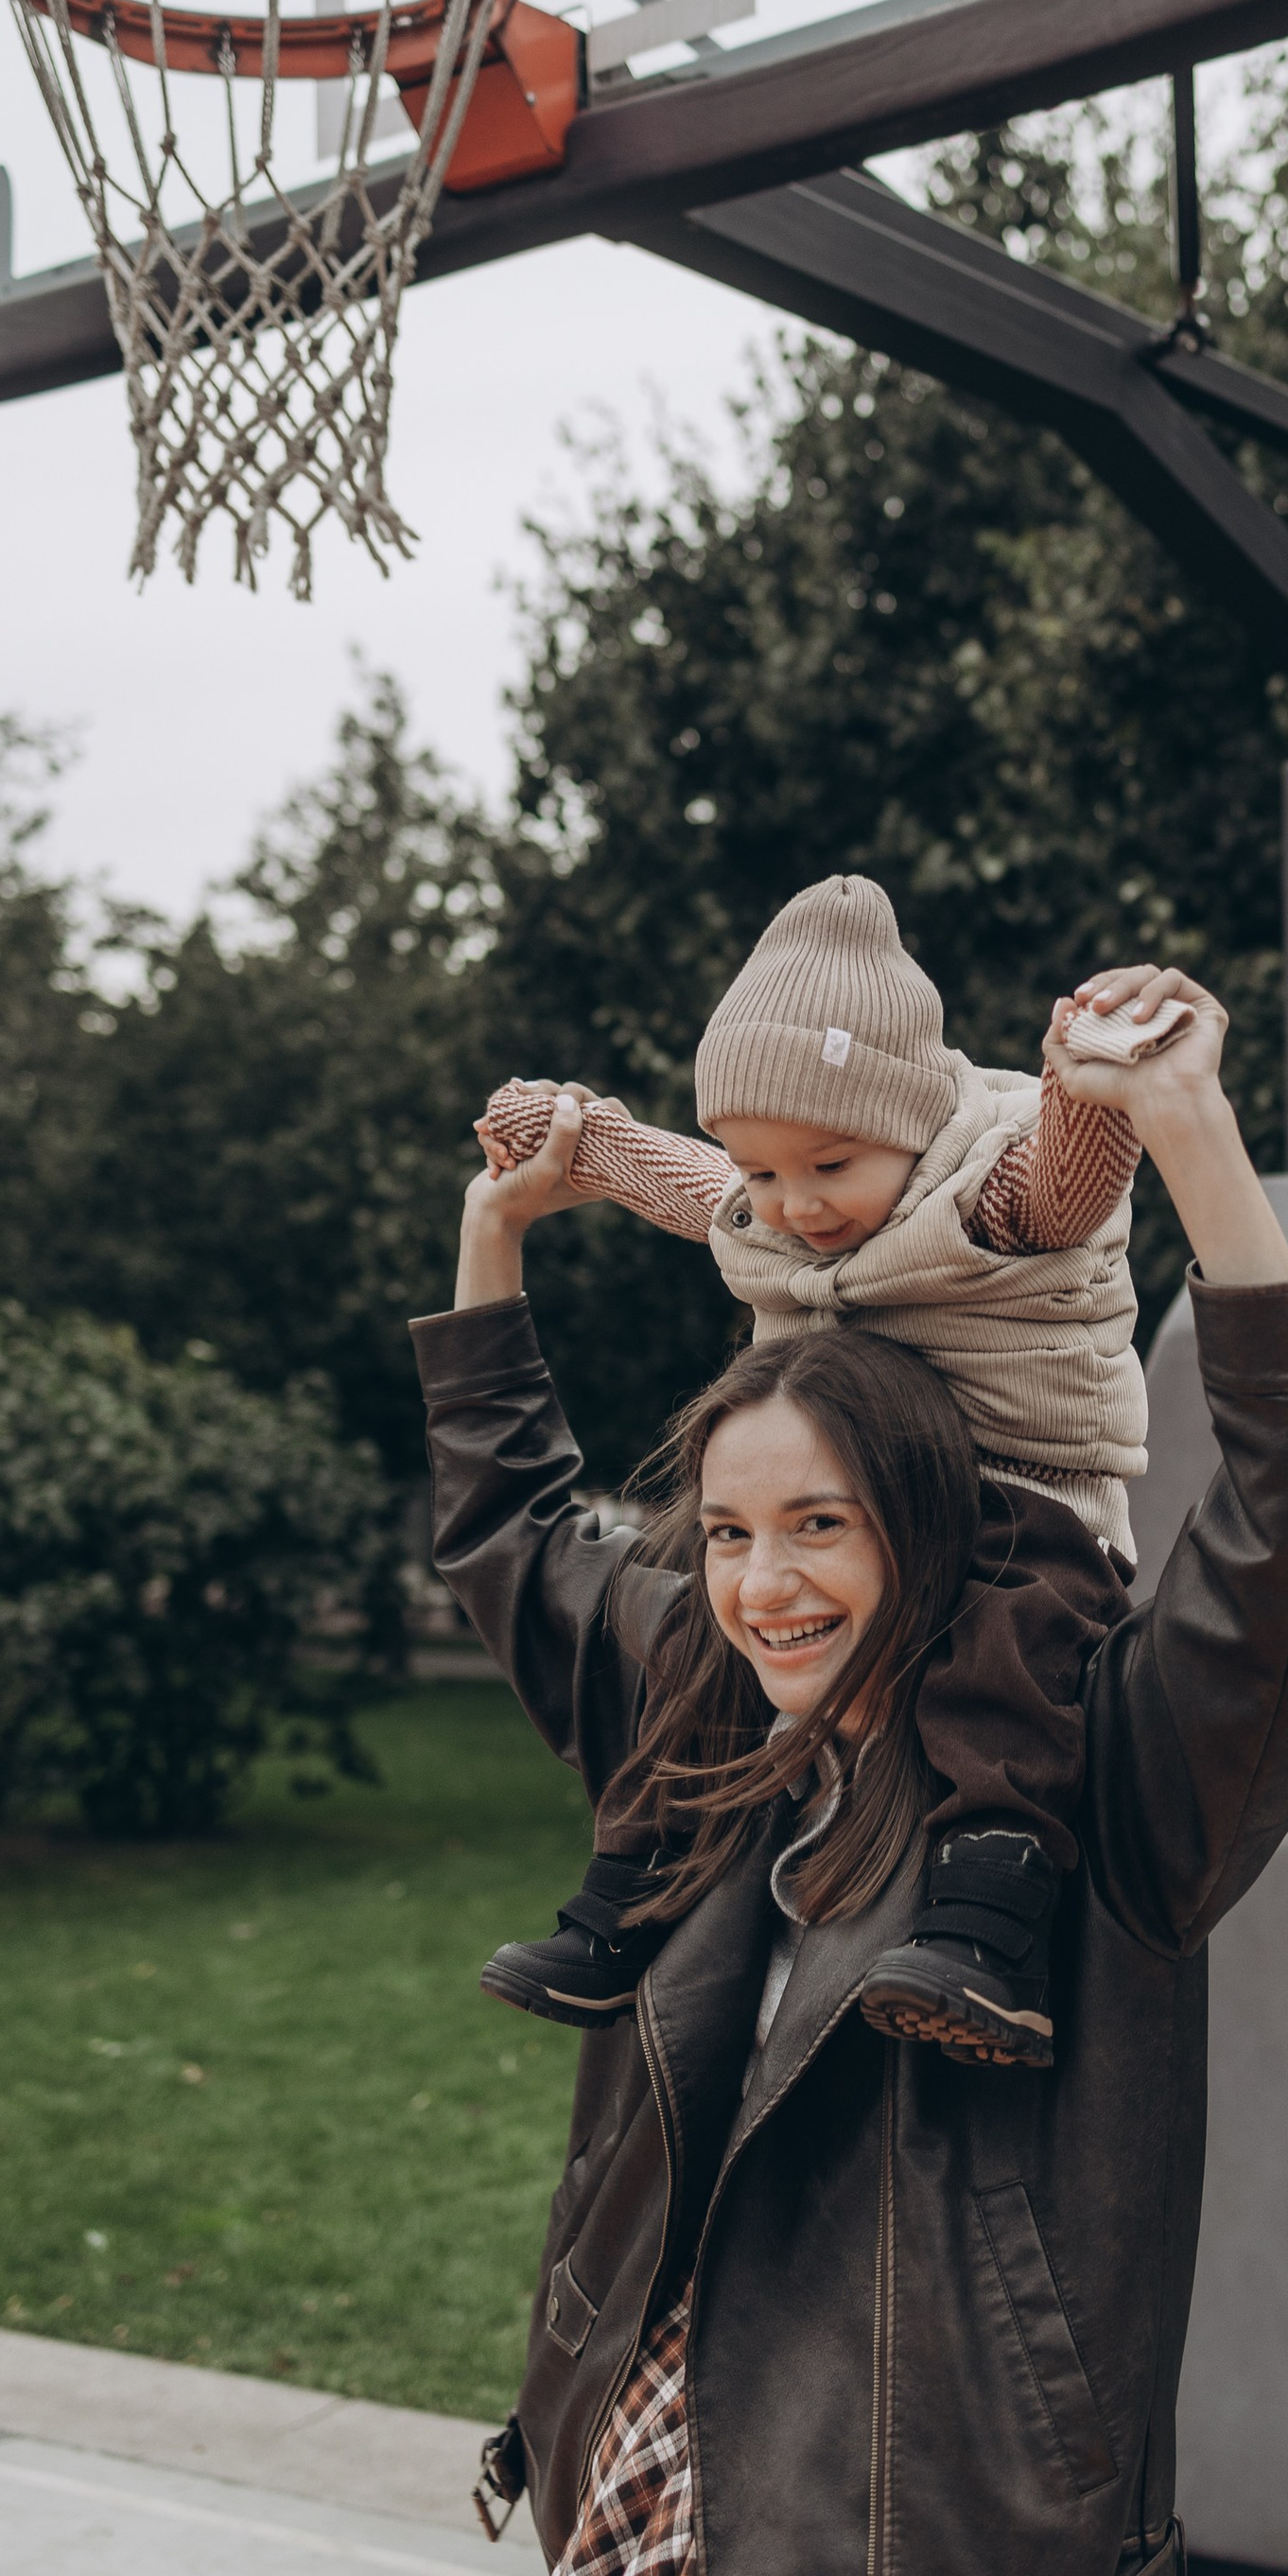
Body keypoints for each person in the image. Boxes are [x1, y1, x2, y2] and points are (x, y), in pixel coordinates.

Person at [416, 962, 1288, 2576]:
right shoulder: (695, 1721)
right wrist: (492, 1238)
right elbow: (518, 1535)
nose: (765, 1582)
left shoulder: (1099, 1778)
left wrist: (1192, 1142)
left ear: (932, 1529)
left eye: (824, 1529)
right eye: (726, 1532)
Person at [468, 873, 1184, 2069]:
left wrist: (1084, 1072)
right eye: (762, 1171)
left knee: (1002, 1657)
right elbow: (676, 1179)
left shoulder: (990, 1196)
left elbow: (1074, 1174)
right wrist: (572, 1136)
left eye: (828, 1167)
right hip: (846, 1497)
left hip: (1023, 1502)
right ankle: (629, 1894)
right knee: (700, 1642)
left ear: (909, 1126)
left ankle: (984, 1919)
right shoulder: (773, 1202)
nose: (793, 1207)